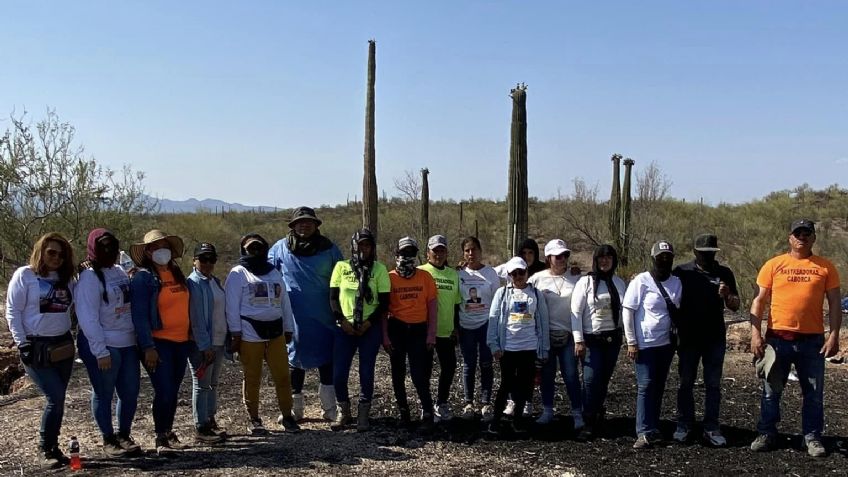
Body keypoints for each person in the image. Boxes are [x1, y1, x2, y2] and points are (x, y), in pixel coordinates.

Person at [749, 219, 841, 457]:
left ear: (813, 238)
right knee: (771, 391)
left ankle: (811, 437)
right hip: (778, 339)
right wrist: (755, 333)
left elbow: (833, 304)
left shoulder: (825, 267)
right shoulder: (774, 264)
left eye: (807, 233)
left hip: (812, 342)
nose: (802, 237)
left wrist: (834, 335)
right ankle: (767, 432)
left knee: (813, 393)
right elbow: (759, 300)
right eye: (797, 233)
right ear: (790, 237)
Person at [5, 233, 77, 468]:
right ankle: (44, 448)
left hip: (63, 345)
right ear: (41, 252)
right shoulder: (25, 275)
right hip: (35, 346)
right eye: (51, 252)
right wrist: (21, 343)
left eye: (61, 254)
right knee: (54, 397)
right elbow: (13, 311)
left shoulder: (68, 278)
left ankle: (54, 447)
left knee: (59, 398)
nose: (56, 258)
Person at [269, 207, 343, 423]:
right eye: (300, 222)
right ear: (292, 226)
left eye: (309, 222)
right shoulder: (279, 249)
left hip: (325, 315)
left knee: (327, 360)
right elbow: (268, 277)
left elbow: (343, 278)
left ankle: (329, 408)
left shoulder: (330, 249)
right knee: (294, 359)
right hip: (293, 315)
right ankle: (295, 409)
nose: (304, 225)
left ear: (316, 225)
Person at [75, 229, 141, 458]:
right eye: (103, 246)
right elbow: (87, 317)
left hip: (127, 341)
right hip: (104, 343)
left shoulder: (119, 271)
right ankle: (108, 437)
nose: (109, 250)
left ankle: (124, 434)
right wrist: (99, 350)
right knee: (104, 393)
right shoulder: (89, 278)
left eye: (112, 245)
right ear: (94, 249)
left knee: (130, 392)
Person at [226, 233, 299, 435]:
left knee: (283, 376)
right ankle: (254, 418)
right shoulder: (238, 274)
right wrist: (235, 333)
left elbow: (284, 301)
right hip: (250, 333)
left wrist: (289, 328)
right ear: (244, 250)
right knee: (252, 377)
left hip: (276, 331)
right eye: (251, 249)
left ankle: (287, 415)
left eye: (259, 248)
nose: (256, 252)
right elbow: (231, 306)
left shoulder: (274, 273)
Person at [672, 234, 740, 446]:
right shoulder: (682, 272)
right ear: (695, 252)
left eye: (711, 253)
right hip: (688, 338)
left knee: (713, 384)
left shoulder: (724, 273)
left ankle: (711, 426)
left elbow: (735, 305)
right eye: (703, 253)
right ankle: (684, 423)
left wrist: (727, 295)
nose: (707, 256)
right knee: (685, 383)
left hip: (714, 338)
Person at [129, 230, 192, 452]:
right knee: (164, 390)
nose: (160, 251)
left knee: (173, 390)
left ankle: (168, 431)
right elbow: (139, 315)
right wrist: (148, 347)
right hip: (158, 343)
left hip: (181, 341)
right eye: (155, 247)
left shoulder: (176, 274)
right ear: (147, 252)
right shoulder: (143, 278)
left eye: (164, 246)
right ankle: (160, 437)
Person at [329, 228, 391, 431]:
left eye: (367, 245)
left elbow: (384, 303)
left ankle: (364, 412)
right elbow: (332, 297)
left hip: (368, 327)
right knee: (339, 373)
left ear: (372, 248)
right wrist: (341, 321)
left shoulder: (379, 270)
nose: (363, 248)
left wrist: (368, 323)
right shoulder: (341, 267)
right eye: (360, 244)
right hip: (344, 327)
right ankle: (343, 411)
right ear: (353, 246)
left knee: (366, 371)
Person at [623, 240, 682, 449]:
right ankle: (643, 430)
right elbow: (628, 311)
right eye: (660, 257)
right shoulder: (641, 281)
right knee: (645, 385)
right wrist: (631, 341)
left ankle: (653, 426)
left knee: (658, 385)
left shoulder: (676, 282)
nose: (664, 260)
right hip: (644, 342)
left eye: (667, 257)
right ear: (653, 258)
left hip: (666, 343)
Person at [486, 257, 550, 435]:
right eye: (514, 273)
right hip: (508, 348)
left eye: (521, 272)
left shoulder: (536, 294)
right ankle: (496, 420)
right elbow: (493, 320)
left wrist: (544, 349)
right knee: (506, 383)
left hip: (529, 347)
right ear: (509, 275)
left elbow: (543, 322)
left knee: (525, 384)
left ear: (527, 273)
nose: (518, 276)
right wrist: (493, 345)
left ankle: (518, 420)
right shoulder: (502, 293)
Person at [571, 244, 626, 440]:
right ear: (595, 260)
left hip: (612, 339)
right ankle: (587, 420)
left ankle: (596, 415)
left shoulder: (618, 283)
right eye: (601, 258)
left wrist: (626, 336)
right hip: (591, 339)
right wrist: (578, 340)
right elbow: (576, 312)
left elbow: (624, 312)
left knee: (603, 380)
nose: (605, 261)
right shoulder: (585, 282)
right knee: (590, 379)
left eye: (609, 258)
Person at [383, 237, 438, 431]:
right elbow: (383, 310)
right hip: (397, 328)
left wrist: (431, 335)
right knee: (397, 374)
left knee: (418, 374)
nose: (407, 257)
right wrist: (385, 337)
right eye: (404, 253)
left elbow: (432, 308)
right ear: (396, 255)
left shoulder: (425, 277)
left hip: (418, 330)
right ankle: (403, 413)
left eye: (411, 253)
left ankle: (428, 412)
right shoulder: (388, 278)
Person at [529, 239, 583, 427]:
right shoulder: (537, 278)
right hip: (545, 335)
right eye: (557, 256)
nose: (562, 259)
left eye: (565, 255)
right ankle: (547, 410)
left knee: (570, 374)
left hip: (568, 334)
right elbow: (521, 291)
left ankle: (577, 412)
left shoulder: (576, 278)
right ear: (548, 258)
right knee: (547, 374)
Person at [418, 235, 462, 423]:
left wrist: (456, 328)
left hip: (446, 330)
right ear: (427, 252)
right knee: (425, 370)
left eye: (442, 250)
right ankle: (426, 405)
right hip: (425, 331)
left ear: (446, 252)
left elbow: (456, 304)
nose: (438, 254)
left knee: (449, 367)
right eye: (435, 250)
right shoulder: (420, 271)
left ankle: (441, 402)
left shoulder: (453, 274)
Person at [186, 242, 227, 443]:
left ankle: (210, 419)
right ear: (194, 261)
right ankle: (200, 426)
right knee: (201, 384)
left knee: (212, 383)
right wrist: (204, 345)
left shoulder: (215, 281)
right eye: (203, 259)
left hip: (218, 341)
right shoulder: (192, 283)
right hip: (203, 344)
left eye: (211, 259)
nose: (207, 263)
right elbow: (196, 318)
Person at [456, 236, 501, 420]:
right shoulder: (458, 273)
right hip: (465, 325)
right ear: (463, 253)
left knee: (486, 363)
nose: (471, 253)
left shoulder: (490, 273)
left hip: (486, 324)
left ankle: (486, 402)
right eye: (467, 250)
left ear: (480, 251)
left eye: (474, 249)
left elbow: (497, 301)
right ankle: (468, 403)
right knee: (468, 364)